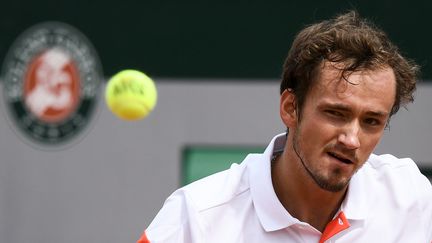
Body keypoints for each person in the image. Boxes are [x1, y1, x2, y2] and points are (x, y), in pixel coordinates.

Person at [137, 11, 432, 243]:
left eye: (371, 121)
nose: (352, 139)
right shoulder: (196, 218)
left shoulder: (411, 197)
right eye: (336, 113)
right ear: (290, 108)